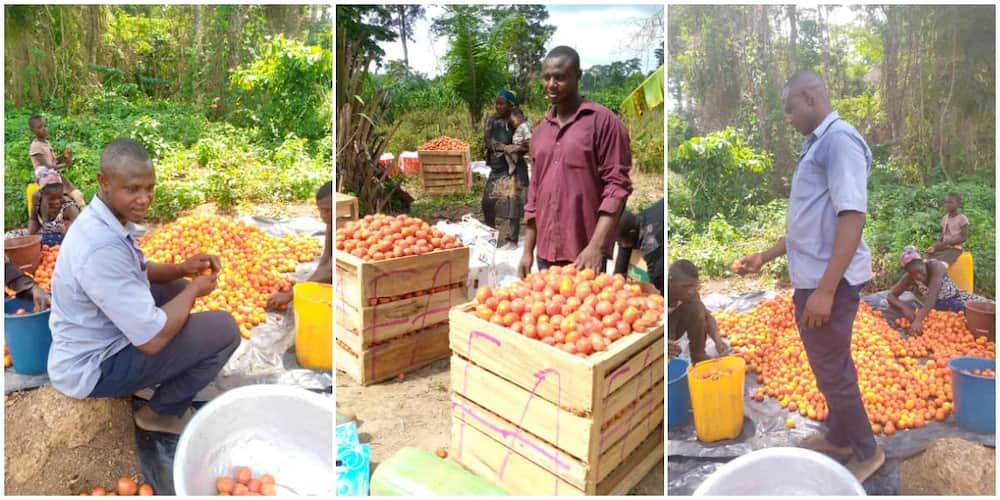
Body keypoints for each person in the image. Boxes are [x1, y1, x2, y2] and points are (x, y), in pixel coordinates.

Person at [734, 70, 884, 481]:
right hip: (815, 279)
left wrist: (826, 291)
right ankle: (838, 437)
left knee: (832, 369)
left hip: (828, 284)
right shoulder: (817, 144)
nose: (786, 116)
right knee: (828, 366)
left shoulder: (839, 141)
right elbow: (812, 221)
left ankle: (867, 452)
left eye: (789, 107)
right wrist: (765, 255)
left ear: (809, 98)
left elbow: (852, 218)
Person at [48, 138, 240, 435]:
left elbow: (137, 270)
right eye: (132, 189)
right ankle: (159, 414)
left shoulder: (105, 219)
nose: (145, 198)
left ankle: (150, 377)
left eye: (149, 188)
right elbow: (151, 340)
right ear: (104, 182)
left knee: (175, 288)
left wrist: (182, 269)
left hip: (104, 336)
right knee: (225, 330)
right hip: (93, 368)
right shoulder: (100, 246)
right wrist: (193, 290)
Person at [520, 46, 633, 277]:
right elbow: (534, 193)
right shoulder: (540, 133)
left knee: (585, 313)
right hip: (545, 254)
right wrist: (527, 251)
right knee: (545, 313)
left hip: (585, 256)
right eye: (547, 77)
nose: (551, 84)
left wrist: (596, 247)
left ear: (578, 75)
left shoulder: (603, 123)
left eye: (560, 77)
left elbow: (617, 188)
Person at [266, 181, 333, 310]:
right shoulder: (330, 223)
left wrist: (291, 293)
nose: (323, 216)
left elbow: (329, 270)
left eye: (327, 210)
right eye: (321, 210)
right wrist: (309, 284)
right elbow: (325, 260)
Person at [483, 90, 530, 246]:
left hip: (513, 169)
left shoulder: (517, 120)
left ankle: (512, 240)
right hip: (497, 169)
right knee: (488, 203)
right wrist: (502, 147)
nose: (498, 106)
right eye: (497, 103)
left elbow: (527, 144)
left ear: (510, 104)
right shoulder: (493, 120)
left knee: (513, 207)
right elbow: (488, 141)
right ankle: (491, 237)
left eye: (502, 103)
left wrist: (513, 149)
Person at [887, 246, 965, 334]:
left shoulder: (936, 267)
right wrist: (904, 308)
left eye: (920, 271)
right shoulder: (909, 277)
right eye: (914, 274)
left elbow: (932, 297)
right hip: (933, 309)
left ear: (923, 263)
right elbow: (891, 296)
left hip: (953, 300)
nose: (919, 277)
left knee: (960, 324)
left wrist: (918, 320)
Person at [668, 260, 730, 365]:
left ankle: (698, 355)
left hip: (676, 326)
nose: (691, 290)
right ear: (670, 281)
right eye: (685, 286)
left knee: (697, 307)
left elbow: (707, 316)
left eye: (694, 286)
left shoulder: (690, 294)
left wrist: (718, 341)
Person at [29, 115, 86, 208]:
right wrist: (65, 164)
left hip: (54, 175)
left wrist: (64, 156)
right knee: (69, 200)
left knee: (78, 195)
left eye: (45, 126)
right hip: (47, 179)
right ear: (32, 131)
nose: (44, 129)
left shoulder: (46, 143)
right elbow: (47, 167)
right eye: (39, 127)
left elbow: (54, 162)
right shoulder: (35, 146)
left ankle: (84, 212)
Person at [614, 198, 664, 296]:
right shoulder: (640, 219)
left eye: (619, 242)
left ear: (632, 234)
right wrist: (616, 282)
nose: (620, 245)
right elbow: (625, 246)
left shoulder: (651, 245)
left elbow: (659, 280)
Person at [27, 169, 80, 246]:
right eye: (51, 198)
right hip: (43, 239)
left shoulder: (69, 207)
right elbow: (34, 219)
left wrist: (65, 230)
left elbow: (81, 231)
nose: (57, 202)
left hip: (65, 243)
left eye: (60, 197)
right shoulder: (37, 198)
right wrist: (29, 240)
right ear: (42, 194)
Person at [926, 192, 968, 266]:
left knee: (942, 263)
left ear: (958, 204)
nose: (947, 205)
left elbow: (964, 237)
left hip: (955, 248)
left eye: (951, 202)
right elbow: (942, 237)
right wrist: (934, 246)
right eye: (946, 202)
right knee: (929, 259)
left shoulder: (962, 218)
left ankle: (941, 274)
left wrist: (949, 242)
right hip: (943, 247)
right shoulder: (945, 218)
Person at [503, 108, 532, 176]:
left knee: (508, 150)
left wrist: (521, 145)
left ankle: (513, 164)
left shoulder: (524, 126)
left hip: (520, 145)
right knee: (507, 150)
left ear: (519, 117)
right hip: (518, 146)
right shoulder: (520, 126)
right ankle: (513, 162)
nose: (513, 124)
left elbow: (528, 137)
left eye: (513, 122)